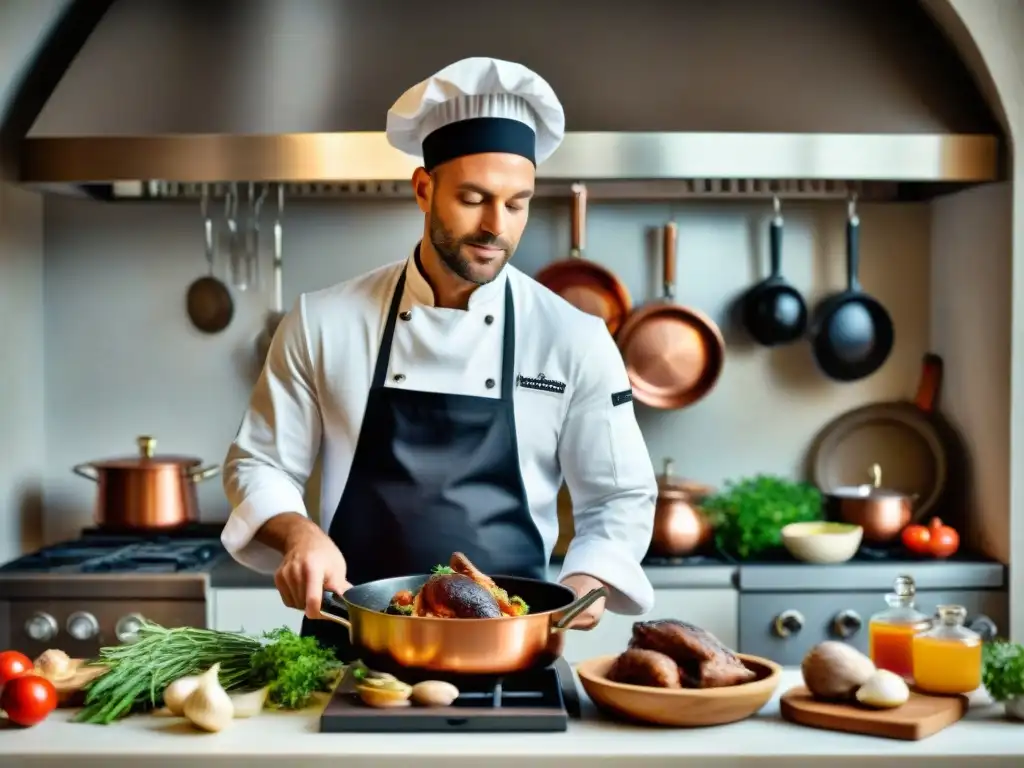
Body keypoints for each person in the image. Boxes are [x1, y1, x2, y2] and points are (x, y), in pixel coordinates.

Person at [220, 57, 657, 655]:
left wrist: (592, 576)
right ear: (423, 190)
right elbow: (260, 462)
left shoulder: (573, 337)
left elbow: (617, 496)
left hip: (510, 647)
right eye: (473, 198)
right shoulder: (325, 320)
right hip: (349, 640)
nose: (495, 227)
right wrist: (298, 534)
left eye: (517, 203)